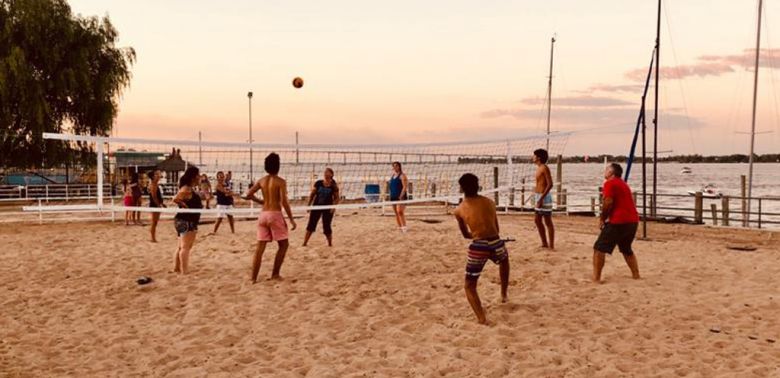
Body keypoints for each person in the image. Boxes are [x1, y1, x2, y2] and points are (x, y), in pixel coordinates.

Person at [453, 173, 510, 325]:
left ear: (461, 189)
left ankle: (481, 318)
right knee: (504, 260)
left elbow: (466, 235)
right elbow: (496, 228)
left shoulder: (459, 210)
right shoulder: (490, 202)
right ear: (478, 186)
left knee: (469, 285)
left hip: (479, 246)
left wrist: (477, 234)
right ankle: (504, 294)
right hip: (496, 242)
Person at [243, 153, 297, 283]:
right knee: (284, 245)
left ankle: (253, 278)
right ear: (278, 166)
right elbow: (284, 202)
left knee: (259, 248)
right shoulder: (281, 181)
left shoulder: (262, 180)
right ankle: (275, 274)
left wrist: (262, 201)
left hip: (263, 215)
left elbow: (247, 195)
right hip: (275, 214)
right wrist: (291, 219)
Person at [593, 163, 641, 283]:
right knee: (626, 248)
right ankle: (636, 275)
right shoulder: (623, 184)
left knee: (599, 248)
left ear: (611, 173)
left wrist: (602, 219)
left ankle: (596, 278)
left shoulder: (610, 183)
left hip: (619, 221)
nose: (604, 171)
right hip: (633, 221)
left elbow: (608, 202)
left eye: (606, 169)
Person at [172, 166, 203, 274]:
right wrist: (184, 205)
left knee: (181, 246)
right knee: (185, 247)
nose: (200, 177)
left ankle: (176, 268)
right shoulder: (186, 189)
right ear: (193, 177)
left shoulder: (189, 188)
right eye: (198, 175)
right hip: (186, 220)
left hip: (183, 220)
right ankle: (184, 271)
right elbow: (175, 199)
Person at [303, 168, 340, 247]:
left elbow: (337, 198)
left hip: (327, 207)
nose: (326, 173)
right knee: (311, 224)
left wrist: (333, 207)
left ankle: (330, 243)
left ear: (331, 175)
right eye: (325, 172)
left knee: (326, 226)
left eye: (328, 172)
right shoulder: (319, 183)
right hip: (316, 206)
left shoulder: (333, 186)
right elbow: (312, 194)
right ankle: (305, 243)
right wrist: (309, 205)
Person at [533, 149, 555, 249]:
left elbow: (550, 184)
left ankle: (551, 245)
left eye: (534, 155)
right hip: (538, 196)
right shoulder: (539, 168)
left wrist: (541, 198)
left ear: (538, 157)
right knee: (537, 220)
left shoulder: (544, 168)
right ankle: (544, 243)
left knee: (547, 221)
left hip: (544, 197)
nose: (532, 157)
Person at [389, 161, 408, 233]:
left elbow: (405, 187)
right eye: (393, 166)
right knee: (396, 213)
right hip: (393, 196)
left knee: (400, 212)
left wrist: (401, 195)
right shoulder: (393, 175)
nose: (394, 167)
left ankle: (404, 227)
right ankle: (400, 227)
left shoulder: (402, 175)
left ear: (399, 166)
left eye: (396, 166)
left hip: (401, 196)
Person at [148, 169, 166, 242]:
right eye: (156, 175)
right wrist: (158, 205)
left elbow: (157, 196)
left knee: (155, 222)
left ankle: (153, 237)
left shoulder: (155, 184)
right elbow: (154, 196)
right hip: (154, 205)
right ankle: (152, 238)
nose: (158, 176)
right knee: (154, 222)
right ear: (152, 177)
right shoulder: (153, 185)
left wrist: (161, 203)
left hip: (156, 204)